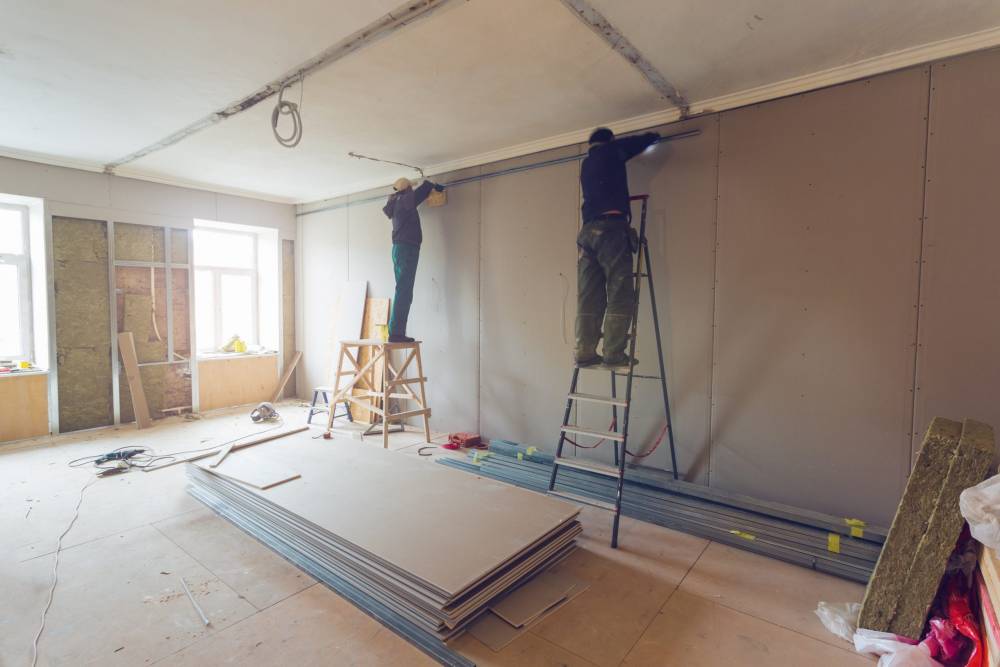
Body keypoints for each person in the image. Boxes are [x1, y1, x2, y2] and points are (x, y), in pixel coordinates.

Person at [575, 127, 660, 369]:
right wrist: (654, 136)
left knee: (589, 296)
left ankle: (584, 352)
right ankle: (613, 354)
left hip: (587, 234)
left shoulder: (586, 163)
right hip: (611, 229)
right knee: (619, 292)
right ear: (610, 141)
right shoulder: (611, 152)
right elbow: (635, 143)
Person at [382, 176, 445, 342]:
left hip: (400, 249)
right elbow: (419, 194)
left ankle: (396, 331)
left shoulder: (397, 202)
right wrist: (432, 184)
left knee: (403, 290)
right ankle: (396, 333)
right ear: (407, 189)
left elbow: (417, 197)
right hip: (406, 249)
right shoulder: (404, 201)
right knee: (404, 291)